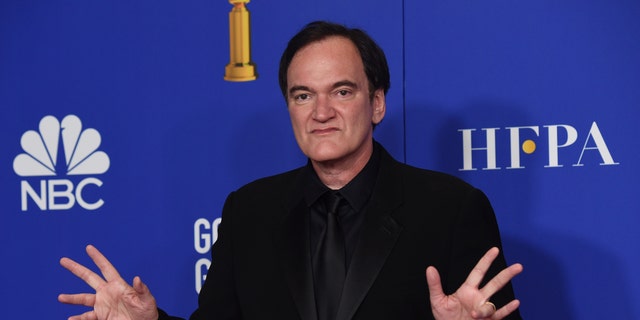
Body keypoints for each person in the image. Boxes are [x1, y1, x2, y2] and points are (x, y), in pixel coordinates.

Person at [59, 21, 523, 320]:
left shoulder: (452, 209)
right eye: (303, 95)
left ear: (377, 103)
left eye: (341, 92)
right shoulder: (249, 212)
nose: (321, 112)